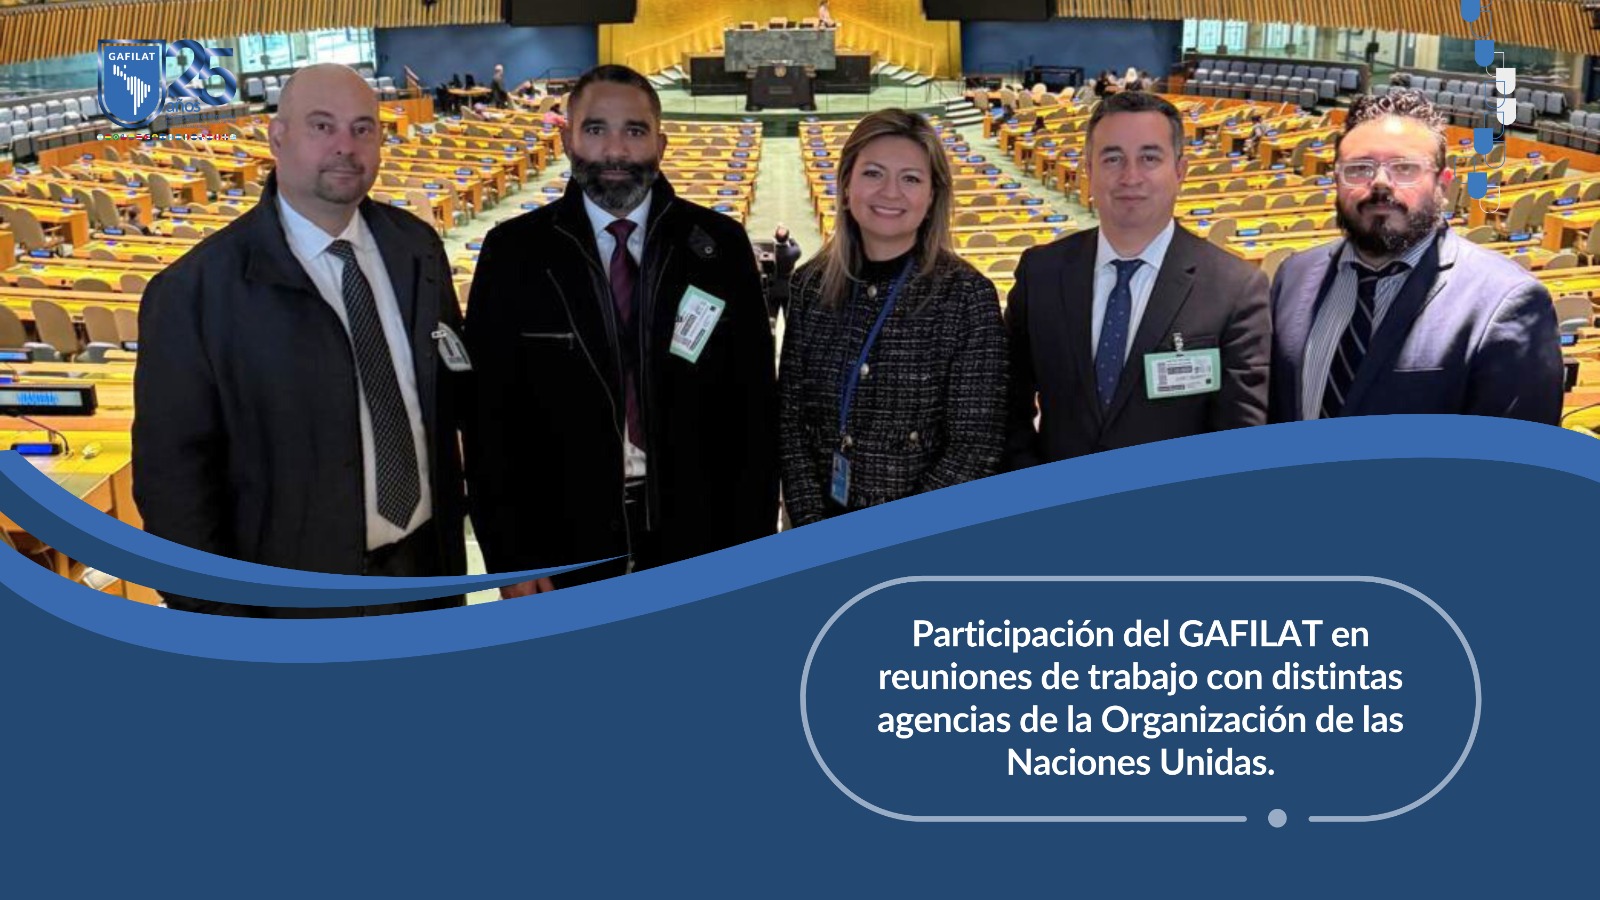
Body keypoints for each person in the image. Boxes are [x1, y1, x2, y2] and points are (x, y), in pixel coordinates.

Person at [133, 63, 468, 617]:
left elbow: (455, 395)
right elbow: (173, 486)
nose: (345, 146)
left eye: (363, 128)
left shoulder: (417, 249)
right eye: (322, 126)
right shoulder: (194, 292)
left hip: (427, 577)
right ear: (277, 137)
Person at [465, 64, 778, 593]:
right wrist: (512, 557)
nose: (614, 151)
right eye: (595, 129)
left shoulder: (720, 248)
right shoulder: (513, 253)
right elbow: (488, 421)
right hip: (562, 546)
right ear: (567, 138)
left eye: (634, 131)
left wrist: (751, 551)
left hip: (700, 539)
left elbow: (753, 415)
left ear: (661, 143)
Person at [1004, 90, 1271, 467]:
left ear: (1180, 171)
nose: (1130, 177)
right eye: (1112, 158)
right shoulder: (1040, 273)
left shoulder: (1235, 288)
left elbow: (1237, 438)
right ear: (1089, 170)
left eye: (1149, 158)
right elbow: (1006, 406)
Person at [1268, 90, 1563, 423]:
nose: (1380, 183)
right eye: (1359, 168)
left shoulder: (1506, 299)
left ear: (1443, 184)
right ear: (1335, 180)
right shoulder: (1293, 276)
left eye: (1405, 168)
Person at [780, 109, 1007, 525]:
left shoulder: (967, 296)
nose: (890, 192)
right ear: (846, 186)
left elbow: (974, 448)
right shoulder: (809, 285)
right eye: (873, 173)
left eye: (911, 179)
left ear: (932, 197)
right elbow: (791, 424)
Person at [769, 224, 802, 319]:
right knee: (788, 319)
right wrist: (790, 239)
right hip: (788, 289)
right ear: (787, 238)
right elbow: (796, 246)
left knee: (771, 319)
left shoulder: (770, 253)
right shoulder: (794, 252)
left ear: (775, 237)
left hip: (772, 289)